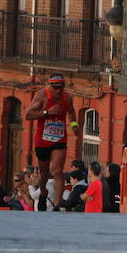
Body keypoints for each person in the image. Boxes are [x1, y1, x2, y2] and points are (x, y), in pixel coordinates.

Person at [25, 74, 79, 209]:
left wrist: (73, 125)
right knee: (44, 174)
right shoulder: (41, 96)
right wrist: (46, 112)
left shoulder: (67, 98)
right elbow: (28, 115)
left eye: (61, 87)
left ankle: (57, 202)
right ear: (49, 86)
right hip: (43, 141)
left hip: (59, 139)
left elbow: (71, 113)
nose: (59, 91)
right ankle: (43, 192)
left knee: (57, 171)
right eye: (55, 88)